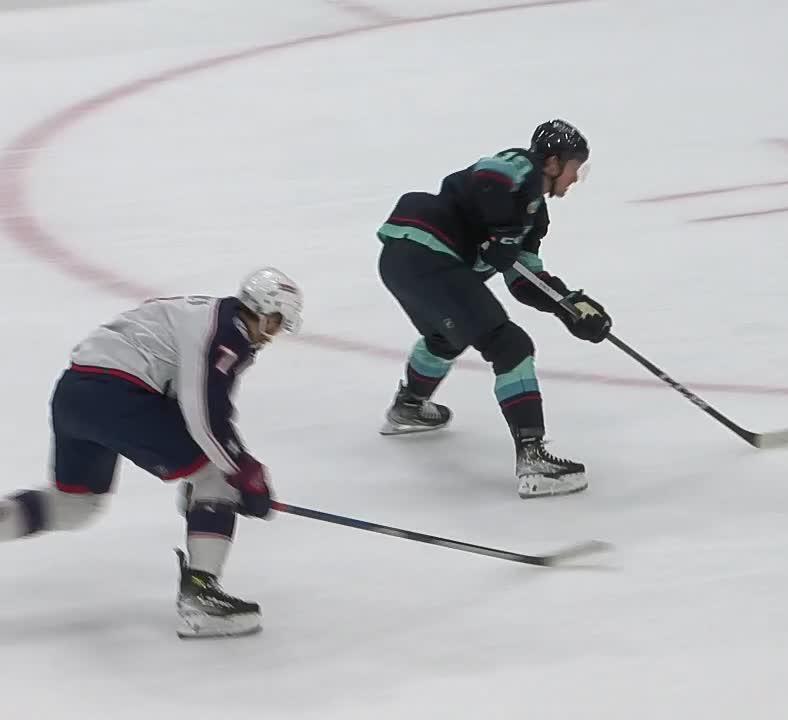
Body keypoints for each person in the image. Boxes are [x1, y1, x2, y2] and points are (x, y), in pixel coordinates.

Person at [0, 268, 303, 639]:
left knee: (74, 506)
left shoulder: (210, 317)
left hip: (74, 392)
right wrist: (243, 475)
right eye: (275, 323)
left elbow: (196, 410)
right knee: (217, 477)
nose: (272, 335)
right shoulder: (226, 336)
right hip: (118, 395)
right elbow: (205, 417)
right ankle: (201, 601)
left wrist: (217, 486)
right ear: (262, 311)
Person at [375, 119, 611, 499]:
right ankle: (533, 460)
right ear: (553, 162)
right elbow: (490, 176)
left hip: (402, 260)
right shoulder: (522, 168)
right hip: (428, 254)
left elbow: (524, 279)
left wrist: (568, 306)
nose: (574, 179)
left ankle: (409, 406)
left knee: (446, 336)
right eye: (574, 168)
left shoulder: (534, 217)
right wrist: (503, 234)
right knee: (510, 346)